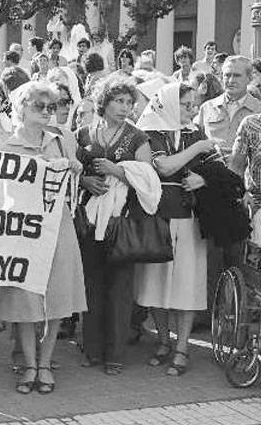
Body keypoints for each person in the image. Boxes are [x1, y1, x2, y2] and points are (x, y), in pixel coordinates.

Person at [0, 81, 86, 393]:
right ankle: (29, 364)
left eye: (52, 107)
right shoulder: (8, 147)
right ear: (21, 109)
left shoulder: (61, 141)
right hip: (23, 228)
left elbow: (75, 178)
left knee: (58, 295)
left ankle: (45, 362)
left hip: (58, 224)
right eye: (40, 107)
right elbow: (0, 192)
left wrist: (74, 168)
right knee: (24, 298)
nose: (48, 112)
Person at [135, 83, 218, 376]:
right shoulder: (151, 133)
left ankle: (182, 346)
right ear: (170, 104)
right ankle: (163, 339)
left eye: (195, 105)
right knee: (156, 283)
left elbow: (218, 172)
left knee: (186, 284)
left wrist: (204, 181)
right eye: (186, 104)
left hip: (190, 219)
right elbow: (164, 168)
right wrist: (197, 147)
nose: (193, 110)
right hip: (158, 217)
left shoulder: (196, 133)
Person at [76, 76, 154, 375]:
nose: (124, 107)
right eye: (118, 101)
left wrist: (118, 171)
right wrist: (84, 180)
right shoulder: (84, 132)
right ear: (104, 102)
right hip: (89, 220)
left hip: (122, 222)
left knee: (120, 288)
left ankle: (115, 355)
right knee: (92, 285)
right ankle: (92, 349)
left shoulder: (137, 138)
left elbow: (148, 180)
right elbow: (71, 168)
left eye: (128, 102)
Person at [197, 56, 261, 161]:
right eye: (227, 75)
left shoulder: (258, 110)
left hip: (245, 174)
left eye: (237, 76)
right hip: (212, 173)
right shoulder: (207, 108)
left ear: (249, 78)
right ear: (221, 77)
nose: (231, 80)